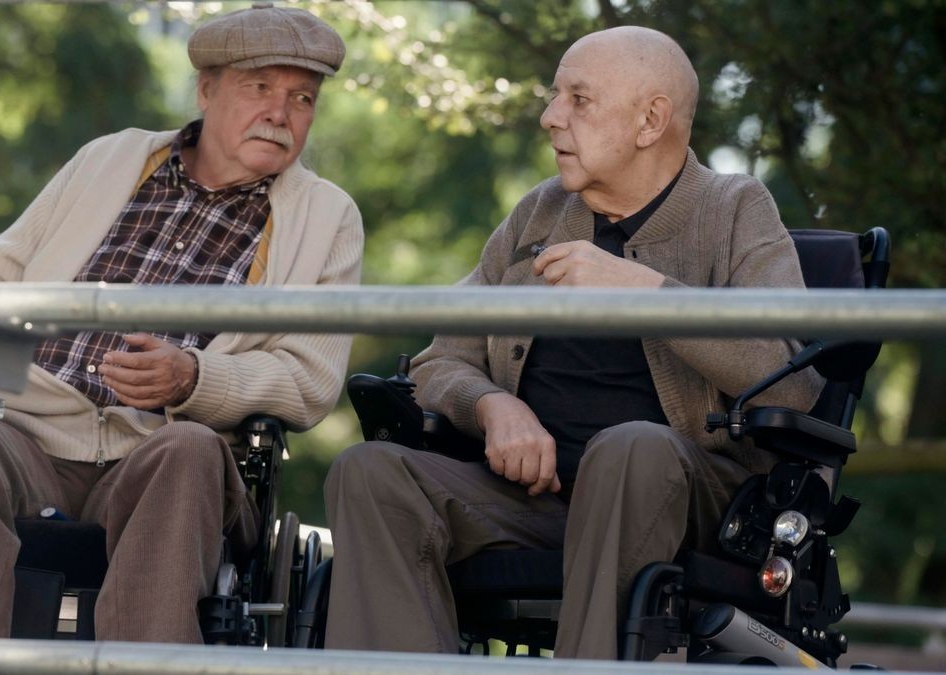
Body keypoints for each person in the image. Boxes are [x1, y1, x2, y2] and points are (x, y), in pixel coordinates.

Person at [323, 25, 822, 660]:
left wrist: (643, 290)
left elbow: (787, 378)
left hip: (687, 496)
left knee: (630, 448)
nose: (550, 117)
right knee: (369, 472)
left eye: (578, 100)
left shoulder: (734, 208)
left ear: (650, 121)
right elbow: (439, 360)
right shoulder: (541, 212)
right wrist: (492, 407)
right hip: (536, 498)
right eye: (554, 96)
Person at [0, 3, 362, 643]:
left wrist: (194, 377)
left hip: (159, 449)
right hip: (24, 430)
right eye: (259, 88)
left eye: (302, 99)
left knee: (189, 451)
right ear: (207, 89)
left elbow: (308, 381)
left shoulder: (326, 216)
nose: (280, 113)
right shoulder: (111, 158)